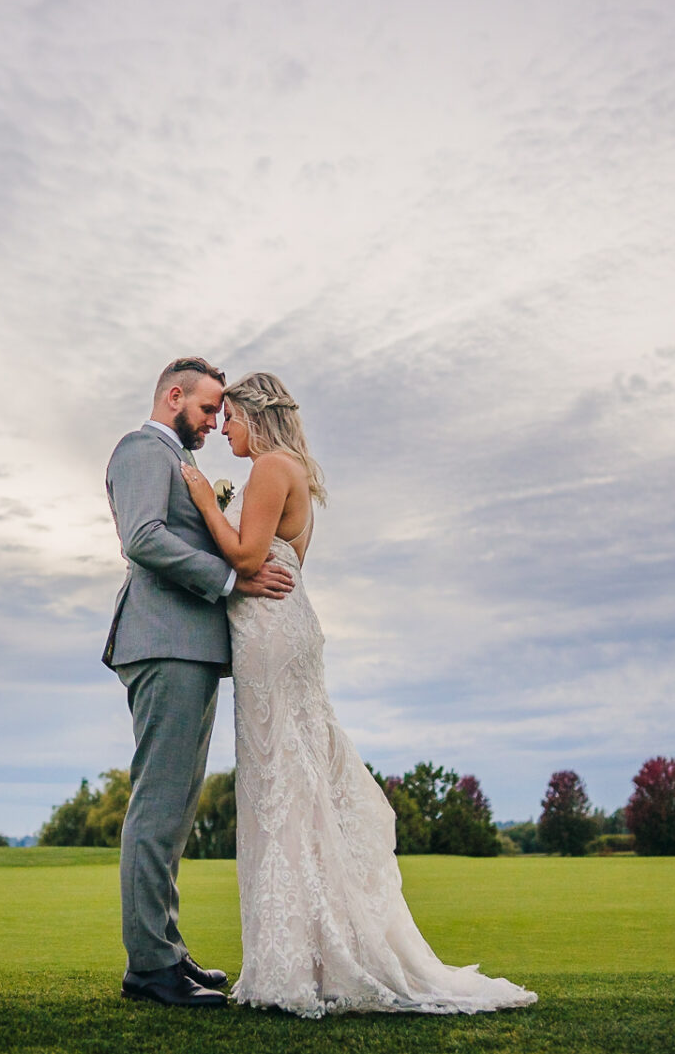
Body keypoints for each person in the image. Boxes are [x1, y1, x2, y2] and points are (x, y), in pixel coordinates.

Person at [180, 372, 537, 1018]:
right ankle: (308, 954)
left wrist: (206, 499)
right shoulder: (291, 469)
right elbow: (270, 560)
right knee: (292, 782)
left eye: (229, 416)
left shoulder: (268, 467)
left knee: (281, 783)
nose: (223, 428)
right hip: (282, 630)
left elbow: (246, 553)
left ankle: (299, 962)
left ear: (255, 416)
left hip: (271, 634)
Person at [103, 357, 296, 1007]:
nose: (216, 422)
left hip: (190, 647)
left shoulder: (175, 458)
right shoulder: (141, 448)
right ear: (173, 395)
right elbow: (143, 537)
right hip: (163, 642)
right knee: (158, 803)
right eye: (209, 408)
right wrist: (228, 578)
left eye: (222, 413)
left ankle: (167, 951)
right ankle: (149, 968)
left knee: (177, 807)